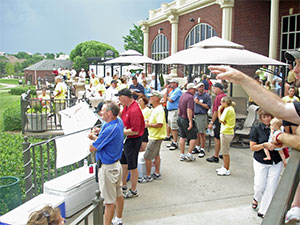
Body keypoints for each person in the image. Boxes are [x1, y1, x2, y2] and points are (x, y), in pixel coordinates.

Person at [208, 48, 300, 223]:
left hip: (274, 160)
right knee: (260, 186)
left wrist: (280, 137)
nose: (294, 70)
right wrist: (241, 78)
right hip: (263, 161)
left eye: (298, 65)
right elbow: (279, 108)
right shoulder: (261, 126)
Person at [89, 102, 124, 225]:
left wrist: (93, 137)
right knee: (119, 194)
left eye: (103, 111)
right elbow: (106, 129)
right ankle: (118, 219)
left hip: (108, 168)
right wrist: (99, 131)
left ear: (109, 113)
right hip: (116, 165)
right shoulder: (118, 122)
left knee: (109, 202)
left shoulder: (110, 129)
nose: (100, 113)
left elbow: (93, 148)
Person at [248, 109, 283, 218]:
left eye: (269, 116)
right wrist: (264, 145)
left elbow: (285, 144)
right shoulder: (256, 129)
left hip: (276, 161)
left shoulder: (279, 128)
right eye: (264, 117)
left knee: (271, 186)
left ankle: (264, 210)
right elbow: (252, 147)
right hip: (261, 160)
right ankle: (256, 198)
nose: (267, 119)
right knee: (260, 186)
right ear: (261, 117)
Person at [116, 88, 145, 199]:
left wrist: (119, 131)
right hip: (127, 139)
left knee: (132, 165)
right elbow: (122, 118)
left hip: (133, 139)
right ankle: (123, 185)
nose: (119, 99)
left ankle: (133, 189)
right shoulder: (127, 107)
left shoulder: (134, 110)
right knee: (124, 162)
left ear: (125, 97)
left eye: (120, 96)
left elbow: (135, 130)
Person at [139, 91, 166, 183]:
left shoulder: (159, 110)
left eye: (152, 97)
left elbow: (159, 124)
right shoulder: (156, 109)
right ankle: (157, 173)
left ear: (156, 99)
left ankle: (148, 176)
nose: (150, 98)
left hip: (155, 137)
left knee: (147, 157)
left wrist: (148, 124)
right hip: (156, 136)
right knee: (156, 155)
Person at [206, 83, 227, 163]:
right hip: (225, 120)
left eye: (214, 88)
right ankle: (224, 153)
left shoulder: (218, 98)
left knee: (217, 138)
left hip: (219, 120)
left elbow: (215, 111)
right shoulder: (225, 96)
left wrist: (211, 122)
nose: (213, 90)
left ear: (219, 88)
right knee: (223, 138)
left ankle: (216, 156)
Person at [215, 96, 236, 176]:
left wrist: (219, 110)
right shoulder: (231, 108)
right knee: (224, 151)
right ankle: (224, 166)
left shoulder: (227, 109)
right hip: (227, 131)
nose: (220, 103)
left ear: (225, 103)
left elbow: (221, 120)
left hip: (226, 132)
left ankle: (227, 169)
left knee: (225, 152)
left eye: (221, 102)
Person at [177, 83, 197, 161]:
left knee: (182, 136)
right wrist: (190, 121)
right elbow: (189, 109)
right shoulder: (190, 97)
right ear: (190, 89)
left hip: (180, 117)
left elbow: (179, 107)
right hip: (186, 118)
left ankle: (182, 154)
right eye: (194, 89)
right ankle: (189, 154)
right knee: (193, 137)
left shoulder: (183, 95)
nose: (195, 91)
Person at [192, 82, 211, 157]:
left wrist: (199, 103)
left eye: (202, 87)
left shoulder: (206, 96)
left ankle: (202, 148)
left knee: (202, 133)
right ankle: (197, 146)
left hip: (202, 115)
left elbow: (208, 106)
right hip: (195, 115)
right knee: (197, 132)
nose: (201, 88)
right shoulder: (195, 94)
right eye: (199, 87)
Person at [166, 79, 182, 151]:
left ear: (175, 83)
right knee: (170, 125)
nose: (170, 84)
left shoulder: (177, 91)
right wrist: (167, 90)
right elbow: (167, 97)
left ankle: (175, 142)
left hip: (175, 110)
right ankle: (173, 141)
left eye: (172, 83)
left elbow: (171, 99)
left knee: (174, 127)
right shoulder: (172, 91)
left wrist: (168, 97)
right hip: (170, 110)